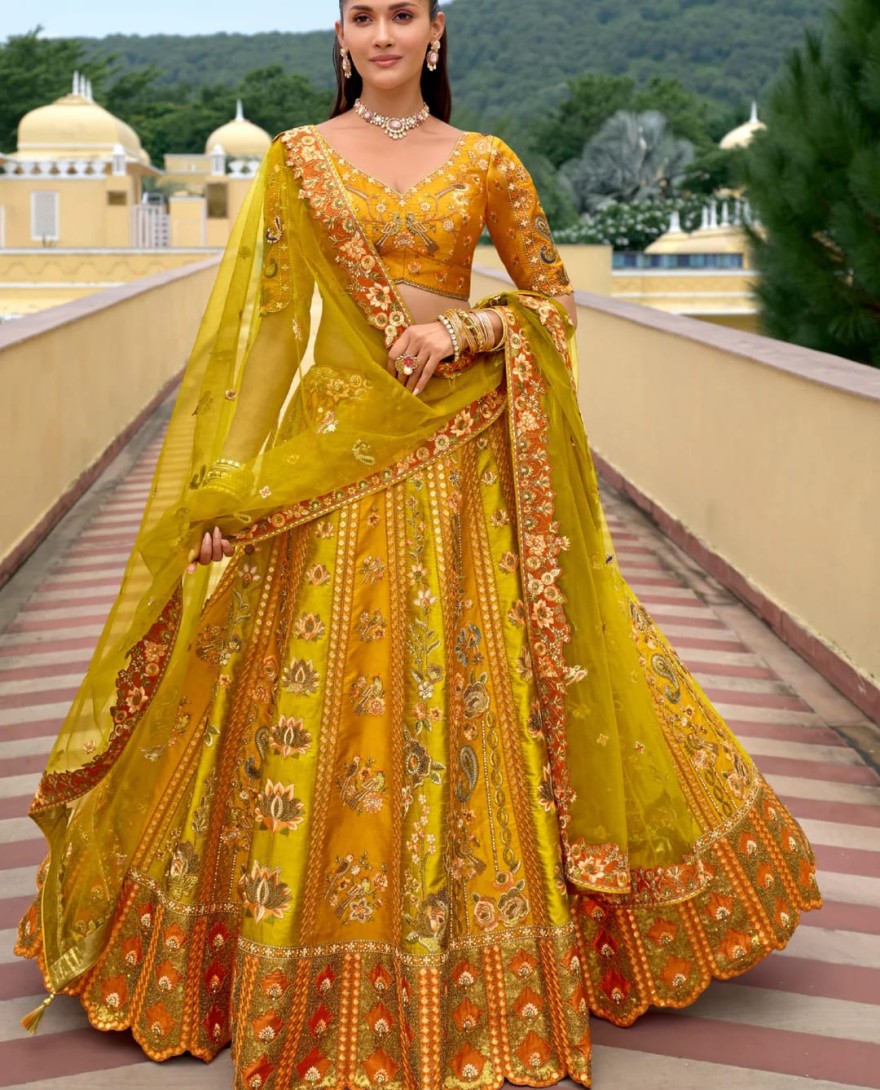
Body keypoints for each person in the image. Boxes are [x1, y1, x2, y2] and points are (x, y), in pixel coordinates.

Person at [14, 1, 821, 1087]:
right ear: (341, 36)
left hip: (457, 455)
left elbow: (553, 302)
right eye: (362, 15)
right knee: (308, 685)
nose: (382, 33)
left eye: (403, 13)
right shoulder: (297, 162)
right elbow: (268, 334)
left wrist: (467, 328)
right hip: (330, 461)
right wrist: (226, 481)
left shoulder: (484, 160)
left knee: (470, 679)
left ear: (435, 32)